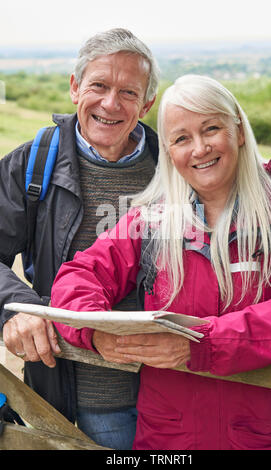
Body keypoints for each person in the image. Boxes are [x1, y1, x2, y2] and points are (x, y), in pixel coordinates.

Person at [51, 74, 271, 450]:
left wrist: (199, 346)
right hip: (167, 441)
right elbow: (78, 277)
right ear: (169, 151)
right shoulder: (149, 221)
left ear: (239, 130)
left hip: (267, 438)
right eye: (182, 139)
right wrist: (97, 333)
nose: (199, 148)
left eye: (211, 129)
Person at [0, 28, 159, 449]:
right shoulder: (32, 165)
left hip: (172, 395)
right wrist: (19, 308)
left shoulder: (174, 167)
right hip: (76, 395)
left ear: (148, 103)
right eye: (99, 86)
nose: (111, 103)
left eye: (128, 92)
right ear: (75, 88)